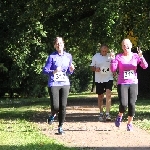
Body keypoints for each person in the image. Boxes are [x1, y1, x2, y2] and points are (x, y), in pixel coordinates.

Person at [110, 38, 148, 131]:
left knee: (132, 104)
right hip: (122, 83)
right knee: (123, 104)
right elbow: (113, 69)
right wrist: (112, 59)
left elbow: (145, 66)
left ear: (131, 46)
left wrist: (141, 57)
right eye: (123, 45)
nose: (125, 46)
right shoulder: (118, 57)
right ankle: (120, 115)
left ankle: (129, 123)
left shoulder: (136, 56)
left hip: (133, 82)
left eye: (127, 45)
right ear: (122, 47)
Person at [42, 37, 75, 134]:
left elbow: (69, 71)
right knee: (56, 106)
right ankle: (52, 114)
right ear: (54, 46)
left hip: (65, 83)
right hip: (54, 83)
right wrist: (54, 71)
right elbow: (45, 70)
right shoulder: (51, 57)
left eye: (60, 43)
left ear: (63, 44)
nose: (59, 45)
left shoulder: (68, 56)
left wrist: (71, 69)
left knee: (63, 106)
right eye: (57, 43)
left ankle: (60, 127)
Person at [90, 44, 114, 121]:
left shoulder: (110, 56)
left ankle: (107, 114)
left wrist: (114, 71)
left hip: (108, 77)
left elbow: (114, 65)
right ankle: (101, 112)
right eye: (103, 51)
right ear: (100, 50)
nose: (104, 52)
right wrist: (95, 69)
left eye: (105, 51)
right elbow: (91, 67)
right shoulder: (95, 57)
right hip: (99, 79)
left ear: (107, 50)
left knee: (108, 94)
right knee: (100, 97)